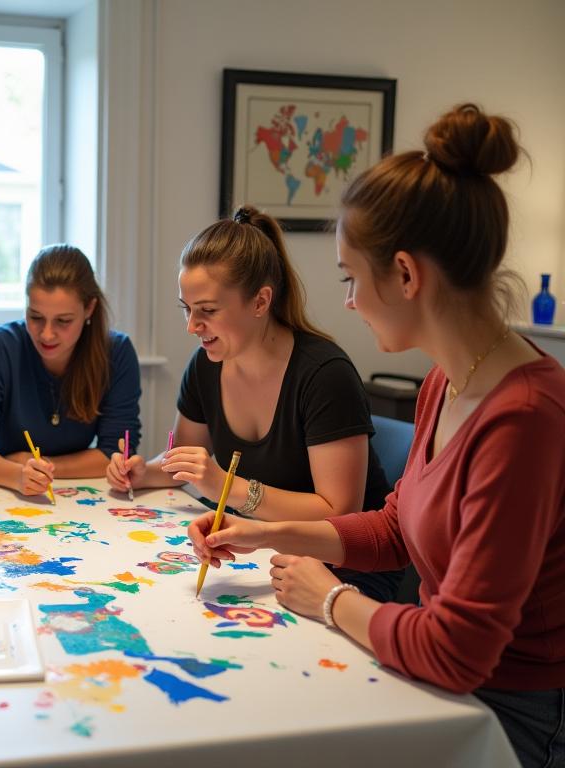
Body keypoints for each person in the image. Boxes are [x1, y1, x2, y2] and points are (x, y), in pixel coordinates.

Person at [189, 104, 565, 768]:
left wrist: (332, 599)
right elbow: (395, 527)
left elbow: (458, 651)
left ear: (407, 275)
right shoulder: (446, 380)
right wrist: (265, 532)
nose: (349, 301)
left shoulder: (526, 417)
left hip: (509, 708)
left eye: (351, 278)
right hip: (438, 672)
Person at [108, 207, 401, 602]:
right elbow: (185, 460)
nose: (192, 326)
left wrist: (225, 487)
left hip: (344, 568)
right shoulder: (206, 364)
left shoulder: (325, 374)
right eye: (186, 309)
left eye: (208, 311)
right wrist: (145, 471)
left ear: (261, 301)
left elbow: (339, 513)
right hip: (260, 548)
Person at [0, 244, 141, 497]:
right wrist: (16, 475)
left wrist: (42, 466)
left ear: (89, 308)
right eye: (35, 317)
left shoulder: (116, 353)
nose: (47, 334)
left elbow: (115, 454)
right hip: (1, 490)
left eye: (63, 321)